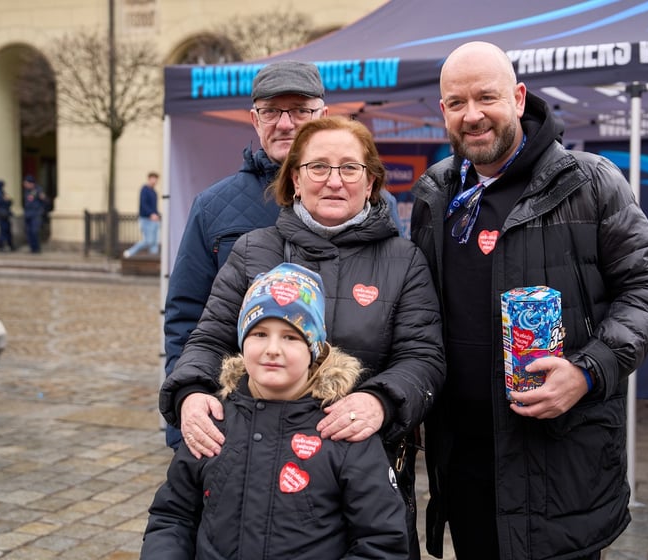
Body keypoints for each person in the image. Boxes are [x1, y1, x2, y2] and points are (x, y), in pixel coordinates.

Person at [409, 42, 648, 559]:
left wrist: (588, 370)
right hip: (464, 459)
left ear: (518, 97)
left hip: (560, 456)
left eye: (487, 97)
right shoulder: (436, 193)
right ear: (443, 111)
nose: (473, 115)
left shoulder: (589, 181)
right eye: (457, 103)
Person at [160, 116, 445, 558]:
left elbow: (423, 357)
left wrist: (381, 401)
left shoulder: (403, 260)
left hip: (360, 470)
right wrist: (191, 393)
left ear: (371, 183)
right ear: (295, 178)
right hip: (248, 464)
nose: (334, 181)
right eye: (318, 167)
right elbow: (209, 337)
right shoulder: (253, 249)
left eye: (350, 168)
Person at [142, 262, 409, 559]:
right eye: (259, 334)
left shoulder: (344, 432)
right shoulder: (214, 423)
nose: (272, 349)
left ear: (314, 349)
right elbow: (173, 518)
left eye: (290, 337)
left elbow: (380, 541)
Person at [162, 60, 329, 451]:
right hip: (238, 425)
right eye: (272, 111)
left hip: (331, 427)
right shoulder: (212, 207)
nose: (286, 123)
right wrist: (186, 408)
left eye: (301, 110)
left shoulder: (368, 204)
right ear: (255, 120)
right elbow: (186, 319)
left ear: (324, 115)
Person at [123, 171, 160, 258]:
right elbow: (143, 204)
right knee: (148, 241)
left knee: (154, 242)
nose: (155, 181)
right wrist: (151, 214)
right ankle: (130, 252)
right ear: (149, 179)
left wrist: (157, 214)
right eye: (153, 179)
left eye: (156, 179)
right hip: (146, 219)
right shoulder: (144, 190)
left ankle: (153, 259)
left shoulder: (154, 192)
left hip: (154, 220)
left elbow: (154, 207)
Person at [22, 175, 46, 254]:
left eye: (26, 183)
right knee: (28, 232)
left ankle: (37, 248)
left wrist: (40, 211)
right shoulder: (27, 191)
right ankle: (32, 248)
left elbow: (44, 201)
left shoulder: (38, 190)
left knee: (34, 231)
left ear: (31, 183)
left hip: (35, 215)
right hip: (28, 214)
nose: (25, 185)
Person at [0, 179, 15, 252]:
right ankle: (2, 246)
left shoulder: (0, 192)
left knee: (6, 231)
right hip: (3, 214)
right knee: (4, 231)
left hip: (4, 214)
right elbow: (3, 203)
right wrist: (7, 200)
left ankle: (7, 245)